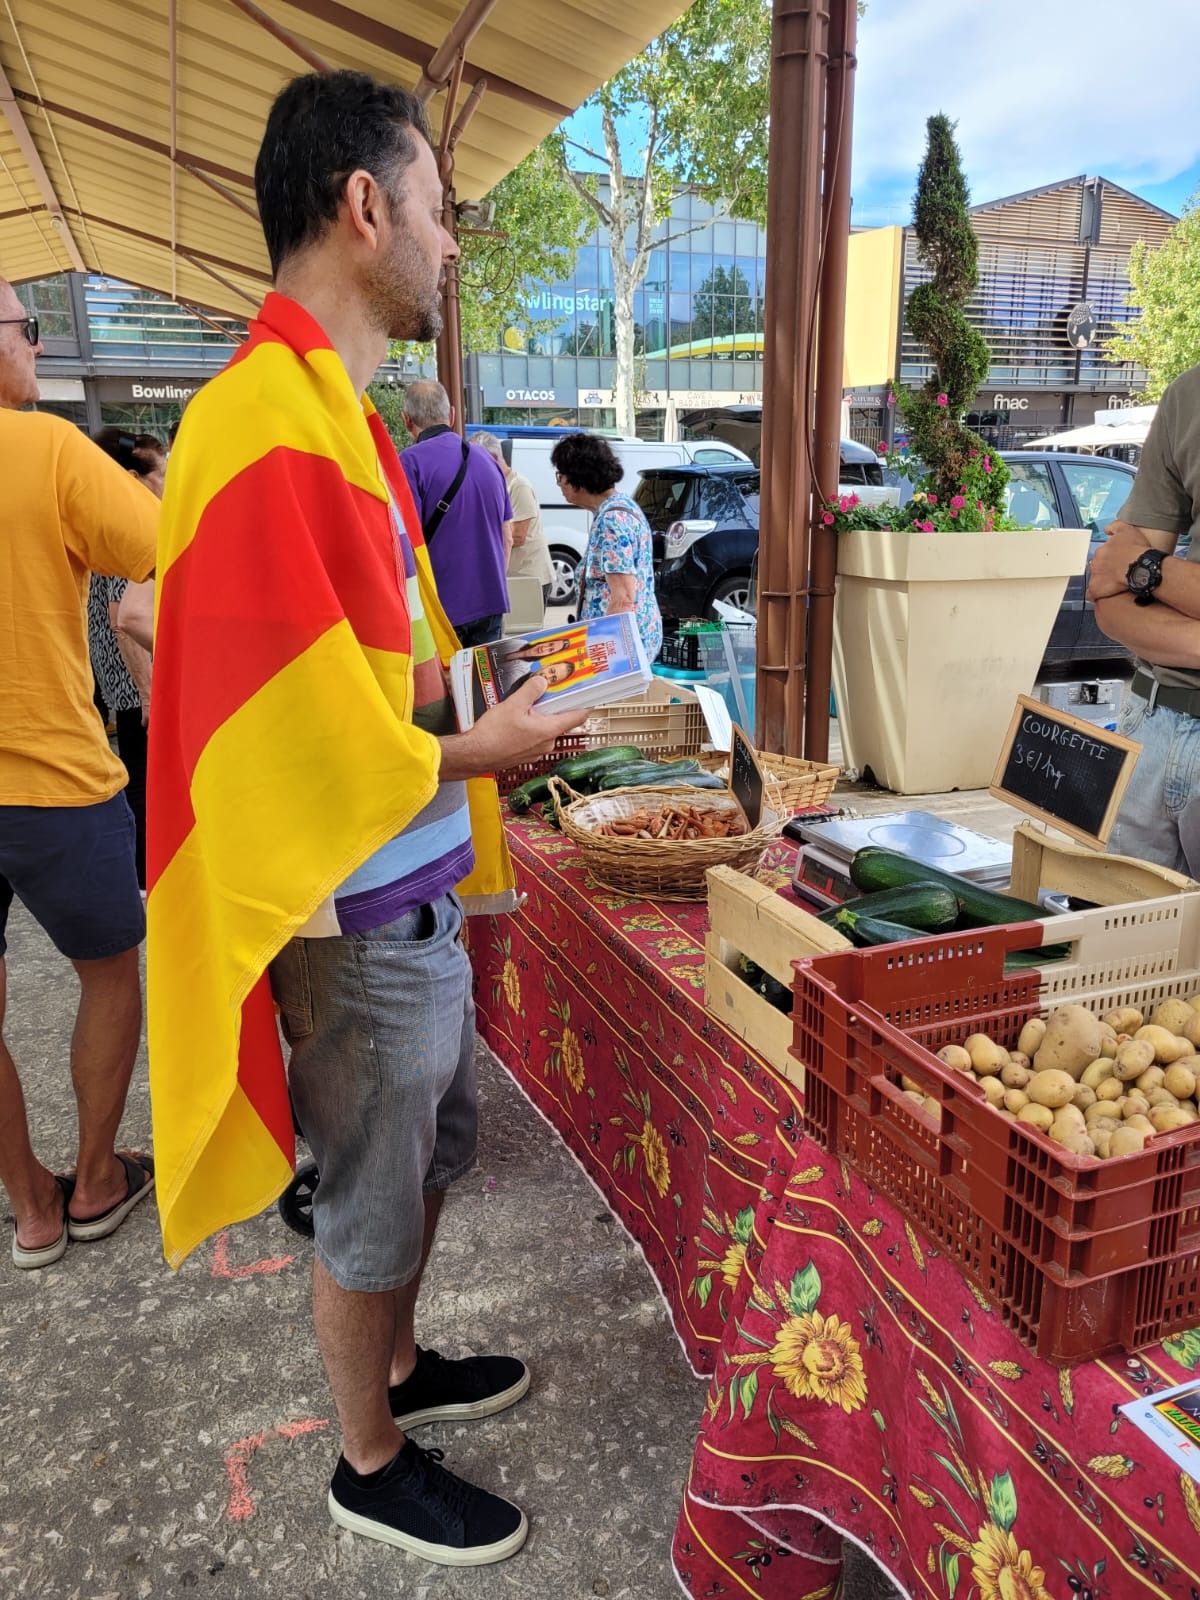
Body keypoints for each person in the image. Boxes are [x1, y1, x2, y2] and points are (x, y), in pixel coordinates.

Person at [146, 70, 587, 1566]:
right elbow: (275, 708)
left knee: (434, 1151)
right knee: (371, 1202)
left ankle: (400, 1369)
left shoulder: (331, 406)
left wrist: (479, 701)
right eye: (441, 211)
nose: (452, 244)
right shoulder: (265, 416)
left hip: (414, 886)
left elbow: (357, 672)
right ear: (363, 207)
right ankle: (366, 1456)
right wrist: (482, 747)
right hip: (352, 911)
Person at [0, 277, 159, 1271]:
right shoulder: (44, 448)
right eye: (27, 327)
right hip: (53, 775)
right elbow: (167, 549)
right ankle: (96, 1177)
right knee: (109, 975)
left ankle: (30, 1206)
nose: (36, 346)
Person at [1088, 364, 1200, 875]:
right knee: (1126, 941)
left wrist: (1148, 568)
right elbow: (1107, 592)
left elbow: (1128, 567)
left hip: (1156, 698)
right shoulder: (1189, 392)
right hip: (1149, 719)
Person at [88, 429, 165, 889]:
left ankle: (143, 872)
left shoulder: (104, 518)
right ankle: (144, 874)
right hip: (136, 677)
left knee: (139, 774)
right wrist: (150, 690)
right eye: (160, 471)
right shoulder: (128, 524)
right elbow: (127, 619)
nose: (167, 480)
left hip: (123, 675)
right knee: (142, 777)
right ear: (135, 477)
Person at [399, 382, 513, 646]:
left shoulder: (409, 463)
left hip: (442, 608)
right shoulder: (488, 461)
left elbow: (408, 545)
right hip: (491, 601)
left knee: (448, 687)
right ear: (451, 415)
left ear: (407, 420)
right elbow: (507, 537)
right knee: (485, 684)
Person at [549, 433, 663, 660]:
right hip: (630, 642)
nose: (558, 483)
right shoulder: (620, 507)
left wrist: (609, 661)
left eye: (561, 475)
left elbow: (623, 598)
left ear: (579, 478)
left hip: (620, 650)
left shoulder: (612, 521)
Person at [473, 432, 555, 611]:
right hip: (511, 577)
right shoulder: (495, 484)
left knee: (522, 636)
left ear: (493, 458)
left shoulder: (518, 485)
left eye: (475, 461)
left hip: (528, 578)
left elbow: (517, 536)